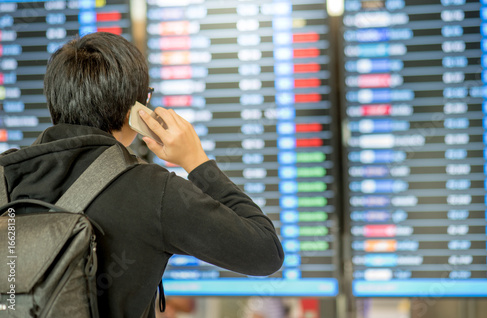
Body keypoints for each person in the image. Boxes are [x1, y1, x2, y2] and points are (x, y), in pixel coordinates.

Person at [0, 32, 284, 317]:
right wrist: (196, 160)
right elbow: (265, 252)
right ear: (134, 110)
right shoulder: (152, 191)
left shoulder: (4, 177)